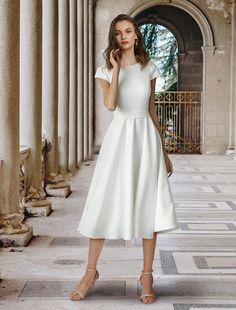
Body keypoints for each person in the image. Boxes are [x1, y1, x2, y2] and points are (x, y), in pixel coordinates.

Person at [69, 13, 179, 304]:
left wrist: (164, 152)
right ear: (113, 37)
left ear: (136, 34)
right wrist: (116, 69)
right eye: (118, 33)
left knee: (149, 206)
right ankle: (90, 273)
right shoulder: (104, 70)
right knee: (103, 203)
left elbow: (152, 110)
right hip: (119, 140)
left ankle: (146, 276)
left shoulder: (149, 68)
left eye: (128, 31)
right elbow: (110, 104)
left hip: (146, 138)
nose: (124, 37)